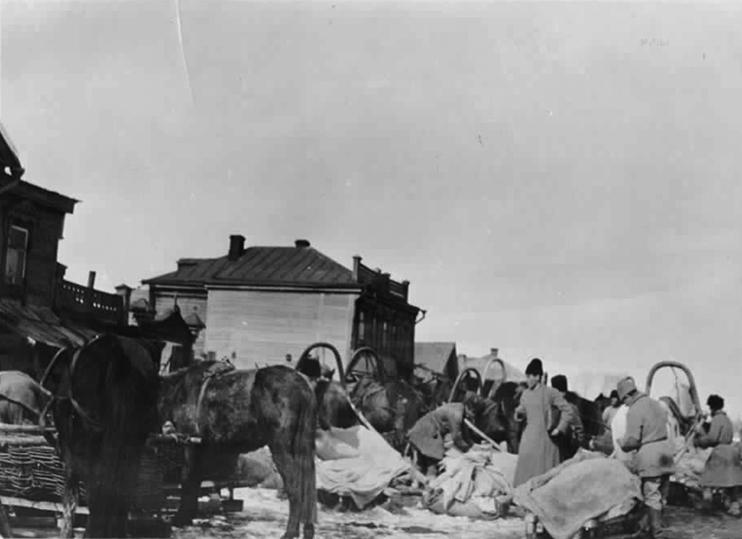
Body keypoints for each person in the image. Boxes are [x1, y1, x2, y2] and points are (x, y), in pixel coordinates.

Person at [617, 376, 674, 538]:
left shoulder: (635, 410)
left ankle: (657, 531)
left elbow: (633, 440)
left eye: (624, 401)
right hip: (666, 451)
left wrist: (623, 443)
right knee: (662, 493)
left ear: (627, 396)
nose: (625, 405)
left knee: (651, 493)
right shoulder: (656, 404)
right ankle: (649, 525)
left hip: (651, 455)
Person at [513, 358, 574, 486]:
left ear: (539, 376)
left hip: (545, 440)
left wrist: (560, 428)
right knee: (524, 476)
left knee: (543, 477)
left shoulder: (550, 392)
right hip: (528, 439)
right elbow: (522, 410)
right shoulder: (525, 394)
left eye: (532, 376)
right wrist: (519, 413)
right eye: (527, 376)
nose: (529, 379)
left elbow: (568, 410)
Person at [693, 394, 742, 516]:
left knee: (707, 480)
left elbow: (712, 438)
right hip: (732, 452)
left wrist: (699, 440)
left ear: (712, 407)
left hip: (721, 452)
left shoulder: (717, 419)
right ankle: (735, 506)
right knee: (732, 482)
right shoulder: (727, 419)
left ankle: (707, 504)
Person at [550, 374, 585, 462]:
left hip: (565, 445)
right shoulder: (559, 403)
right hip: (556, 444)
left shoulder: (569, 406)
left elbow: (578, 428)